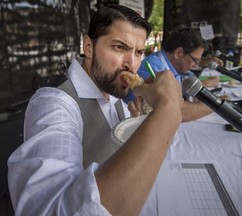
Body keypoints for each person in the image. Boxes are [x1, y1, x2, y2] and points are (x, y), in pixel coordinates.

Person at [7, 5, 183, 215]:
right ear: (88, 47)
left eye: (138, 52)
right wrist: (167, 111)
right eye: (119, 47)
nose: (132, 64)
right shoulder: (53, 103)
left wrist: (141, 123)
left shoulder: (111, 88)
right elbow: (50, 208)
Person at [124, 27, 227, 122]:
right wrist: (217, 104)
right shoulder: (152, 68)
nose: (195, 65)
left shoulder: (170, 65)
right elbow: (176, 111)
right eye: (195, 60)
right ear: (179, 53)